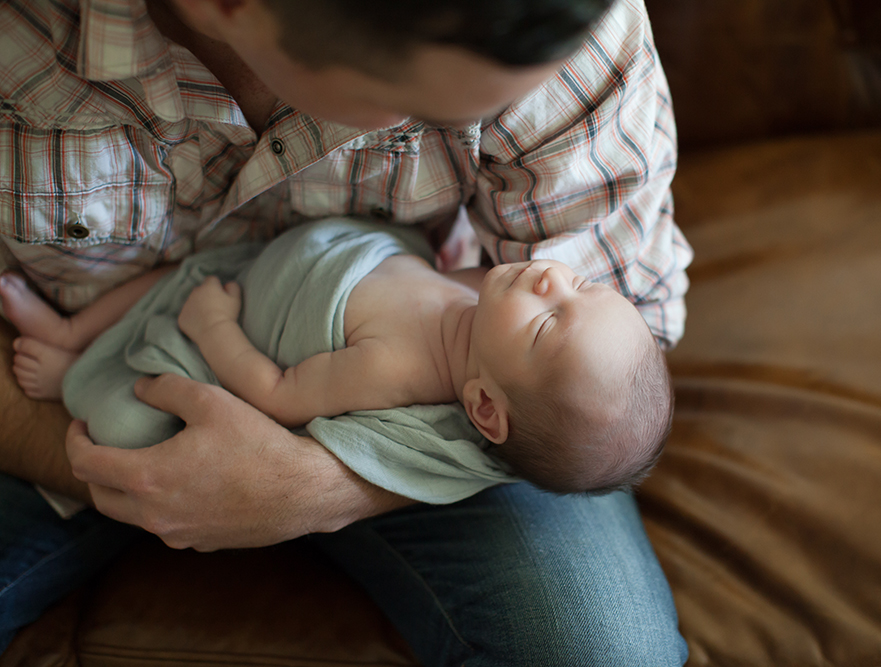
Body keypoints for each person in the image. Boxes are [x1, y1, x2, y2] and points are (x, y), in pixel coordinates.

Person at [0, 0, 693, 663]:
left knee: (604, 650)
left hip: (436, 439)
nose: (548, 278)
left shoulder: (567, 32)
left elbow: (611, 355)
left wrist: (326, 484)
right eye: (421, 104)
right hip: (98, 388)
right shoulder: (23, 35)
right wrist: (127, 471)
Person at [2, 218, 671, 495]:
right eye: (584, 287)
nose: (553, 280)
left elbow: (277, 391)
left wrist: (213, 332)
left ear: (485, 405)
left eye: (547, 325)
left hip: (234, 328)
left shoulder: (396, 368)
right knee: (182, 271)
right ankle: (70, 328)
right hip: (283, 254)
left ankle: (75, 369)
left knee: (131, 397)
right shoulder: (482, 298)